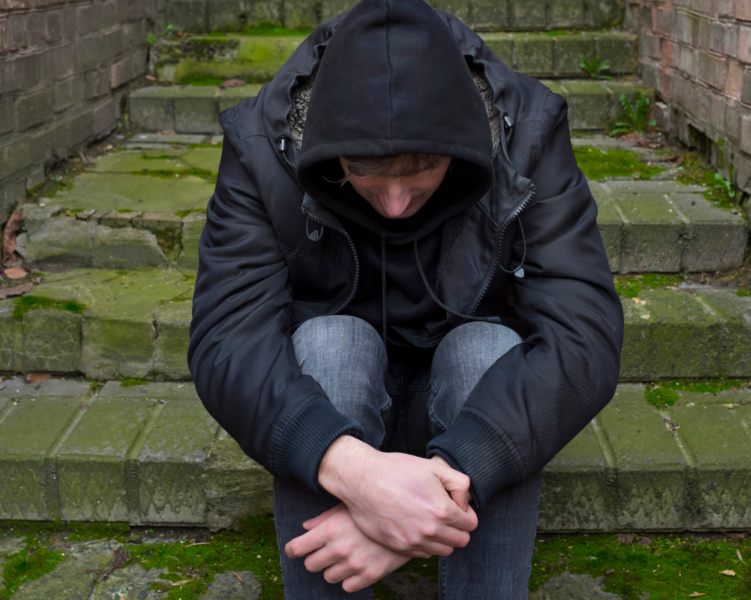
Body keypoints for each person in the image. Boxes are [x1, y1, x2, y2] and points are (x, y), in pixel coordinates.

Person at [188, 0, 624, 597]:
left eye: (421, 171)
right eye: (366, 174)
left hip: (470, 415)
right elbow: (227, 341)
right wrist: (356, 473)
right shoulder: (261, 145)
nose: (395, 202)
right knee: (330, 341)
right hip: (335, 409)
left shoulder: (527, 131)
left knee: (487, 349)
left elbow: (585, 338)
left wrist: (445, 483)